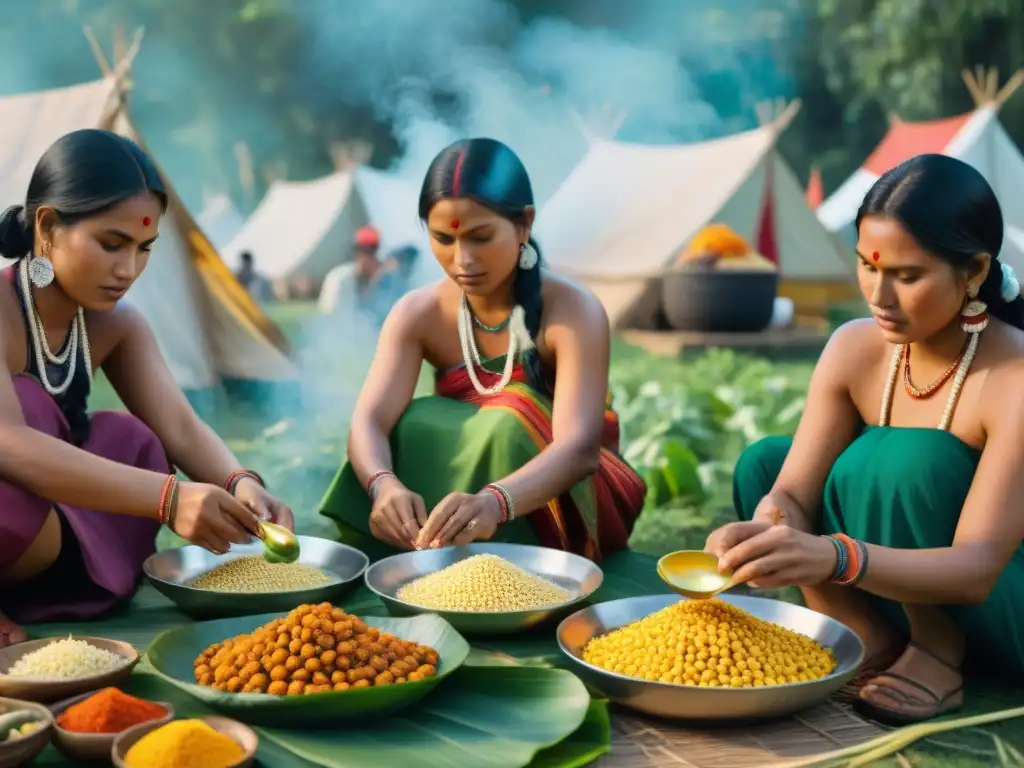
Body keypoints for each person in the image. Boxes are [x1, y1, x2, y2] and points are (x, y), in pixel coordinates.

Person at [704, 154, 1024, 725]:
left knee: (900, 458)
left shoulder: (1013, 377)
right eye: (867, 267)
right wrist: (765, 527)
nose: (880, 295)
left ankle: (936, 653)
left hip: (997, 600)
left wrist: (833, 556)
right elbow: (793, 496)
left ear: (974, 270)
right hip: (888, 583)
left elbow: (978, 568)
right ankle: (868, 637)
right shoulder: (855, 347)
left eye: (907, 276)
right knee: (764, 462)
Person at [0, 129, 294, 648]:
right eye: (111, 244)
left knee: (134, 440)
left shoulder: (117, 324)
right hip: (13, 495)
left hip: (49, 529)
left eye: (143, 248)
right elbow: (12, 444)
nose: (128, 270)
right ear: (47, 226)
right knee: (25, 418)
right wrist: (169, 498)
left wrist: (240, 483)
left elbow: (178, 423)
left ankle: (57, 585)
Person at [320, 138, 646, 560]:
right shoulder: (418, 313)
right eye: (443, 238)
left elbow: (579, 449)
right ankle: (430, 548)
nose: (463, 260)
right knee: (413, 421)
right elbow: (368, 421)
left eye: (481, 237)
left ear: (524, 224)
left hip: (571, 498)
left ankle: (523, 563)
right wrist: (384, 485)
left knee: (507, 423)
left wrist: (496, 502)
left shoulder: (573, 310)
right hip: (465, 498)